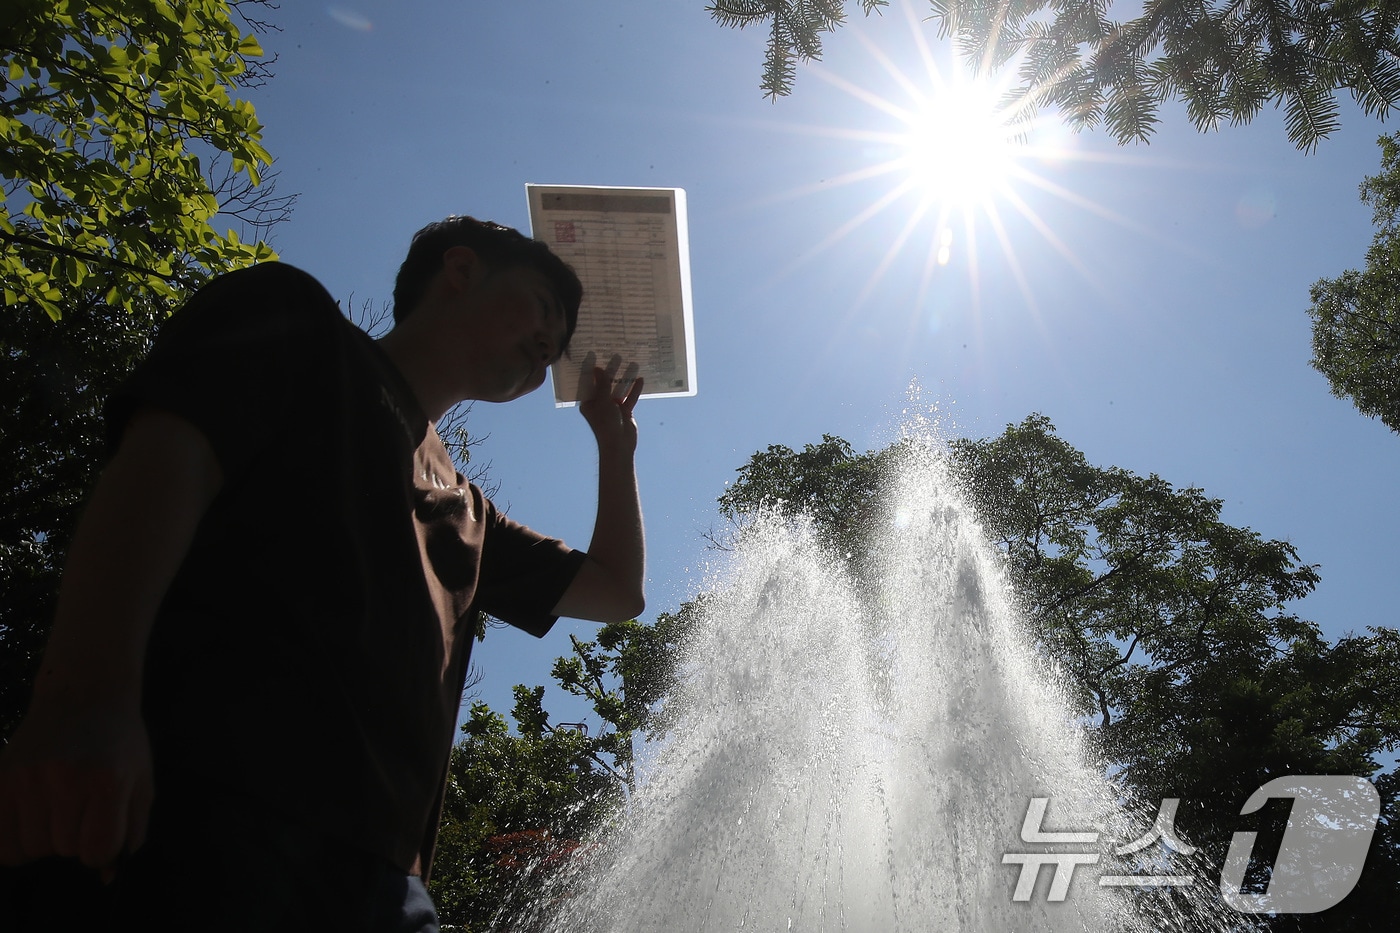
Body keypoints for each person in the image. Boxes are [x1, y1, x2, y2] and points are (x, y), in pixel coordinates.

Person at [0, 216, 645, 931]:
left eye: (561, 337)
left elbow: (616, 591)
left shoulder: (472, 513)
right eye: (546, 308)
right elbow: (160, 468)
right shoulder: (296, 324)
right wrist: (85, 699)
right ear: (459, 271)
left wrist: (614, 447)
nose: (554, 342)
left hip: (385, 887)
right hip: (202, 821)